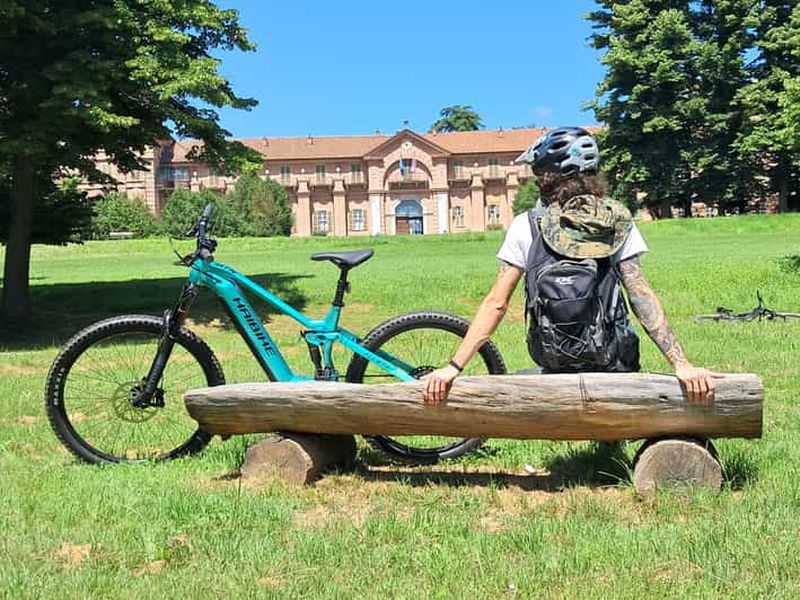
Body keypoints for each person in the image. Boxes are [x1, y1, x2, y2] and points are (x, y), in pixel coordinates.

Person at [422, 127, 722, 405]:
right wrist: (681, 365)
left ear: (550, 176)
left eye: (540, 174)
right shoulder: (616, 220)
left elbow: (496, 304)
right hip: (614, 363)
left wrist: (453, 367)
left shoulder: (526, 225)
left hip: (553, 360)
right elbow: (640, 295)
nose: (537, 180)